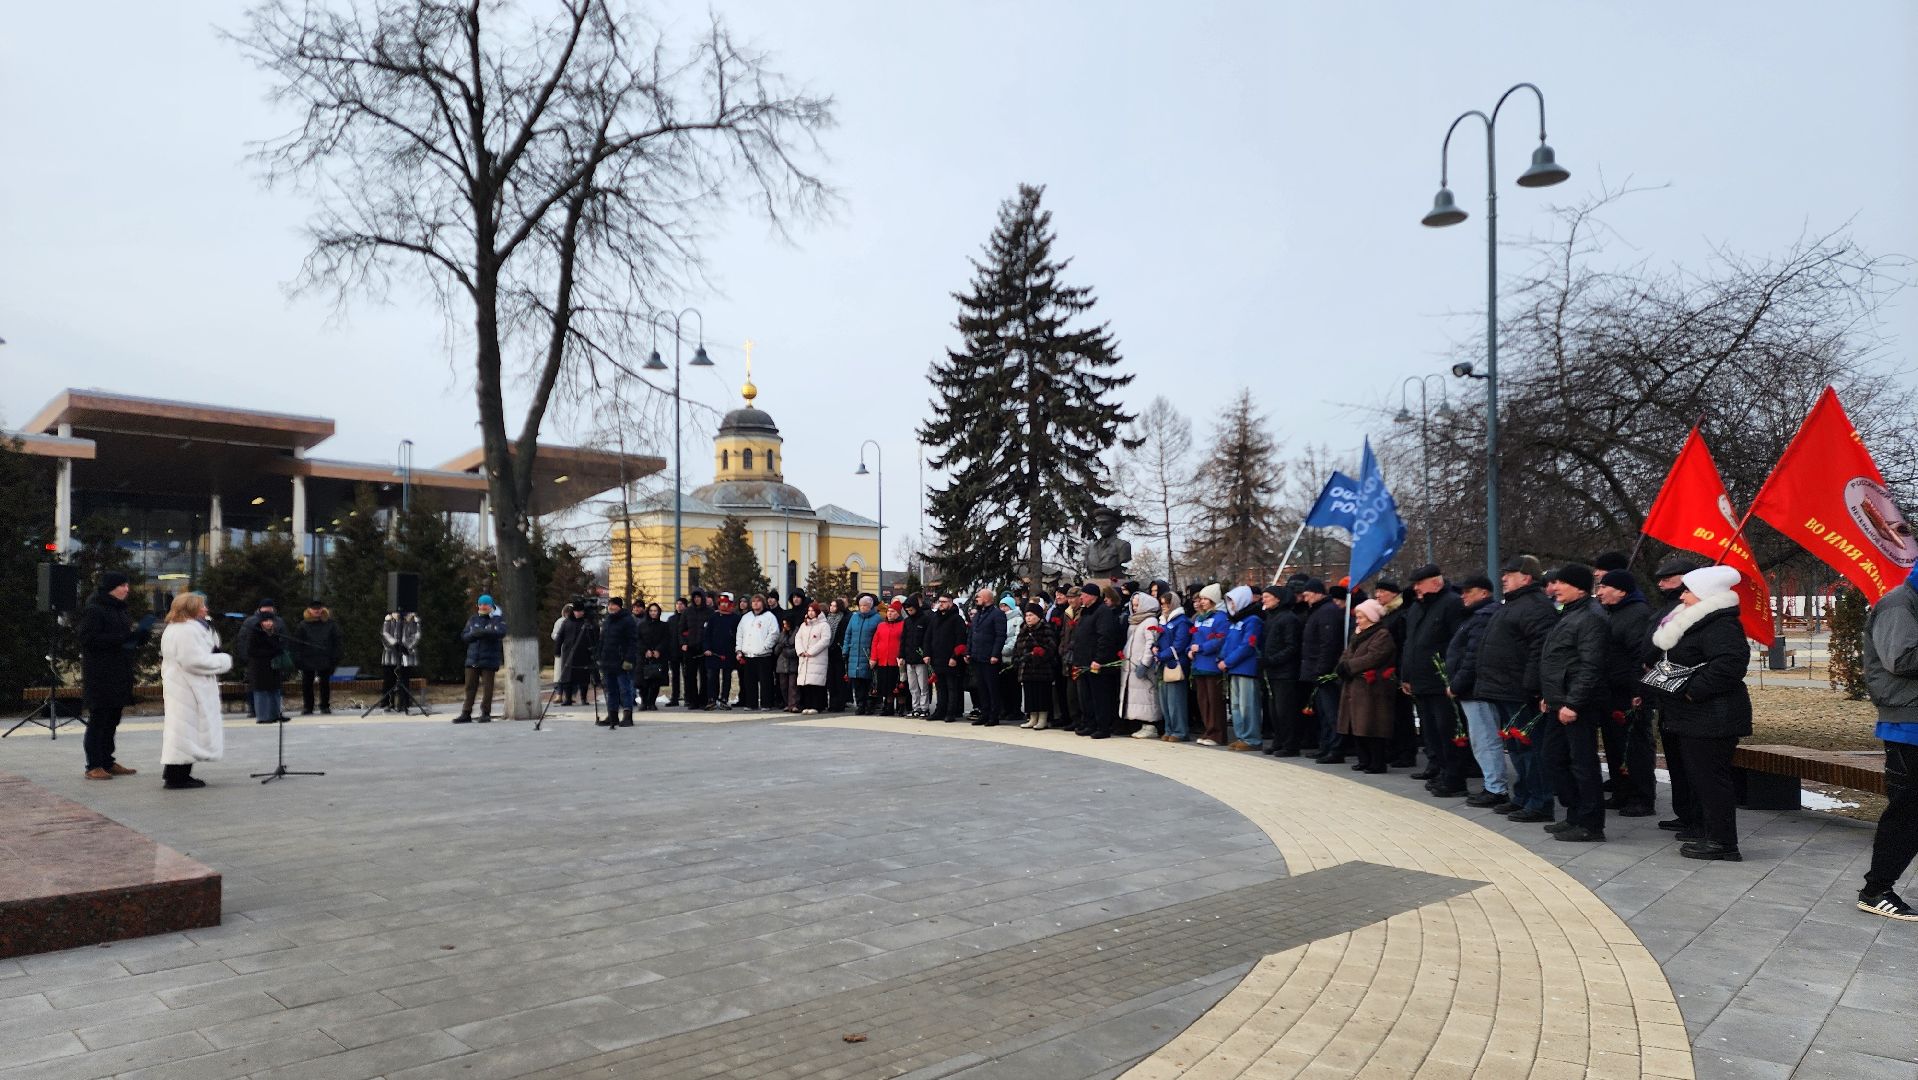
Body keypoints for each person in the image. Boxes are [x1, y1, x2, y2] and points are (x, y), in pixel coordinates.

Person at [1644, 565, 1751, 861]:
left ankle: (1723, 843)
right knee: (1700, 778)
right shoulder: (1699, 620)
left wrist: (1693, 690)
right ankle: (1708, 832)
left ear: (1705, 595)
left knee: (1711, 779)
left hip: (1713, 715)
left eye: (1689, 591)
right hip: (1694, 714)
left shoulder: (1720, 624)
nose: (1683, 595)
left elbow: (1731, 663)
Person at [1474, 556, 1559, 822]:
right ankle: (1523, 796)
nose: (1503, 578)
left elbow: (1539, 650)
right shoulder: (1513, 605)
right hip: (1504, 688)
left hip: (1520, 691)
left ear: (1526, 577)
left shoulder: (1535, 606)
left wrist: (1531, 686)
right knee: (1517, 748)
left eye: (1510, 574)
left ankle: (1540, 801)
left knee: (1530, 749)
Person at [1859, 564, 1918, 917]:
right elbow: (1901, 659)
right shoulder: (1899, 604)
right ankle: (1876, 889)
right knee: (1908, 812)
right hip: (1908, 725)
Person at [1538, 564, 1611, 843]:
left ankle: (1591, 824)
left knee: (1582, 764)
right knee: (1553, 758)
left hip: (1577, 704)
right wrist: (1550, 695)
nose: (1555, 588)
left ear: (1579, 587)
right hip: (1560, 701)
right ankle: (1574, 814)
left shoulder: (1591, 617)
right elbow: (1560, 659)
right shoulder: (1571, 613)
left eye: (1562, 583)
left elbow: (1590, 666)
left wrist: (1573, 703)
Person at [77, 571, 154, 780]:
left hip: (120, 672)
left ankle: (107, 761)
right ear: (111, 587)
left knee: (113, 719)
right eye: (123, 585)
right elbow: (89, 639)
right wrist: (124, 637)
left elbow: (125, 640)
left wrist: (140, 636)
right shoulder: (94, 610)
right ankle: (93, 765)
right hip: (100, 674)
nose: (127, 589)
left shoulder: (121, 610)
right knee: (99, 719)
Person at [1648, 556, 1705, 835]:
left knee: (1690, 764)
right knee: (1676, 761)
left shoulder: (1694, 612)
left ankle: (1697, 818)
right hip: (1667, 695)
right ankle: (1685, 813)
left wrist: (1691, 691)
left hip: (1683, 696)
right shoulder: (1670, 607)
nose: (1660, 584)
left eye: (1667, 579)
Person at [1443, 574, 1508, 806]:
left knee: (1485, 740)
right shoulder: (1475, 616)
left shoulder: (1482, 617)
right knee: (1483, 739)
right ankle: (1493, 785)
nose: (1463, 596)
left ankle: (1495, 788)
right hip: (1475, 689)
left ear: (1483, 593)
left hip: (1476, 690)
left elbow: (1472, 657)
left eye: (1468, 591)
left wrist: (1457, 684)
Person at [1596, 569, 1656, 817]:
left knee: (1634, 746)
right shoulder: (1614, 613)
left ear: (1620, 591)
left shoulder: (1637, 615)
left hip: (1629, 693)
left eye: (1603, 587)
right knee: (1615, 745)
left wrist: (1638, 691)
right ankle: (1622, 791)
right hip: (1612, 690)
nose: (1598, 592)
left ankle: (1641, 797)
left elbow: (1638, 657)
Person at [1400, 566, 1467, 790]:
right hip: (1420, 680)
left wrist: (1451, 676)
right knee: (1430, 730)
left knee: (1446, 730)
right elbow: (1410, 644)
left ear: (1436, 583)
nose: (1415, 587)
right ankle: (1438, 768)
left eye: (1420, 582)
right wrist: (1406, 675)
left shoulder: (1452, 603)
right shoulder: (1417, 608)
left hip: (1441, 681)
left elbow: (1457, 643)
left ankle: (1454, 777)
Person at [158, 592, 230, 790]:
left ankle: (176, 773)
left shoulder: (181, 628)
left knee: (182, 731)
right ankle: (177, 776)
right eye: (201, 606)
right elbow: (193, 661)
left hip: (184, 686)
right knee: (184, 731)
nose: (206, 609)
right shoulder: (185, 631)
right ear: (191, 609)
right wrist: (223, 660)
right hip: (188, 687)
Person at [1337, 598, 1400, 773]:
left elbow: (1374, 657)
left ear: (1371, 617)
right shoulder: (1357, 634)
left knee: (1372, 725)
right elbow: (1347, 653)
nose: (1358, 621)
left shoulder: (1382, 634)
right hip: (1355, 685)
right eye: (1357, 617)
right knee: (1357, 725)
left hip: (1372, 688)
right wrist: (1342, 665)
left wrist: (1349, 666)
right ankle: (1364, 759)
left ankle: (1377, 762)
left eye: (1361, 617)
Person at [1300, 579, 1346, 762]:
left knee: (1331, 712)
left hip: (1324, 672)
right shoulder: (1319, 611)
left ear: (1317, 592)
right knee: (1323, 712)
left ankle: (1335, 749)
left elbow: (1329, 644)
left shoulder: (1327, 612)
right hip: (1316, 670)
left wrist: (1322, 670)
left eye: (1307, 594)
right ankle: (1325, 745)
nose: (1305, 598)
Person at [1074, 584, 1126, 738]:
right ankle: (1090, 724)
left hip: (1097, 663)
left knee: (1100, 696)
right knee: (1087, 696)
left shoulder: (1102, 612)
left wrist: (1098, 659)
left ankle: (1103, 727)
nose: (1081, 597)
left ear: (1092, 596)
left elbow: (1105, 637)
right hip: (1084, 662)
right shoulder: (1086, 611)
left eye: (1083, 595)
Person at [1258, 586, 1303, 757]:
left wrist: (1272, 660)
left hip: (1285, 672)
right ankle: (1279, 741)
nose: (1264, 600)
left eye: (1267, 596)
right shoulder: (1271, 617)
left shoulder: (1289, 618)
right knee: (1274, 710)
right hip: (1272, 671)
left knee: (1285, 710)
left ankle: (1290, 744)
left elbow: (1292, 646)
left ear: (1278, 598)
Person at [1219, 585, 1264, 752]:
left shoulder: (1253, 620)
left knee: (1248, 705)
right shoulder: (1235, 620)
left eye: (1233, 601)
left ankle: (1252, 738)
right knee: (1236, 705)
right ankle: (1241, 736)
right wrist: (1221, 657)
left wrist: (1228, 661)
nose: (1231, 605)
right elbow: (1228, 642)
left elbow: (1247, 645)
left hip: (1246, 668)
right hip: (1233, 669)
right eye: (1229, 602)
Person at [1187, 584, 1229, 746]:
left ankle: (1218, 734)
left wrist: (1202, 647)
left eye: (1205, 599)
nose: (1202, 602)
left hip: (1211, 665)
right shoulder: (1198, 618)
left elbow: (1220, 639)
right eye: (1201, 599)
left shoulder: (1220, 618)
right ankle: (1208, 730)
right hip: (1198, 665)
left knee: (1215, 701)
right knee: (1203, 701)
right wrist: (1189, 649)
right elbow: (1193, 638)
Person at [455, 595, 506, 723]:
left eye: (486, 604)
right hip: (473, 659)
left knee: (488, 687)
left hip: (489, 660)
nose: (483, 607)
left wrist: (484, 633)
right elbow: (465, 636)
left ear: (491, 606)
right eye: (481, 604)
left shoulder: (497, 619)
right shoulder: (473, 619)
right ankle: (466, 712)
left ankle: (486, 712)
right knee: (470, 687)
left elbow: (500, 633)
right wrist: (473, 634)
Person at [289, 599, 343, 716]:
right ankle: (308, 706)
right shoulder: (302, 625)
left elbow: (337, 641)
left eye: (319, 609)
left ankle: (325, 706)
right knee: (307, 683)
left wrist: (335, 657)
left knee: (325, 683)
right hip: (307, 658)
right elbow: (297, 644)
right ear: (309, 610)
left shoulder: (330, 624)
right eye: (314, 609)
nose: (317, 611)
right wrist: (297, 659)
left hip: (325, 657)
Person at [1153, 590, 1193, 743]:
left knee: (1176, 700)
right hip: (1163, 663)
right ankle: (1169, 728)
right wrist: (1155, 648)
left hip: (1175, 664)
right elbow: (1160, 640)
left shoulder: (1181, 621)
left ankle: (1180, 730)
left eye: (1166, 603)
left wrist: (1161, 655)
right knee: (1165, 700)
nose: (1163, 606)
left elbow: (1179, 644)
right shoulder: (1163, 621)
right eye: (1162, 603)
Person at [1121, 590, 1162, 738]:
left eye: (1138, 605)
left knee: (1147, 696)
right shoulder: (1135, 621)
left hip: (1142, 667)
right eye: (1134, 605)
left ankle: (1150, 725)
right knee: (1138, 697)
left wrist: (1145, 664)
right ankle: (1143, 724)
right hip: (1132, 665)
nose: (1135, 607)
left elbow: (1150, 644)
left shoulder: (1150, 621)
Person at [965, 587, 1008, 727]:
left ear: (987, 598)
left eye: (979, 597)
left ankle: (994, 715)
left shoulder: (997, 614)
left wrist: (995, 654)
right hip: (977, 656)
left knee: (992, 687)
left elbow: (1000, 635)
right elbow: (972, 634)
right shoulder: (978, 614)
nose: (977, 599)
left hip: (990, 657)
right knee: (981, 687)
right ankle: (985, 713)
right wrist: (968, 651)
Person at [1014, 603, 1059, 729]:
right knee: (1030, 694)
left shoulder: (1045, 628)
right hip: (1026, 668)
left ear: (1038, 616)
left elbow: (1051, 647)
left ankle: (1043, 718)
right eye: (1026, 615)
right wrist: (1017, 658)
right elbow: (1017, 646)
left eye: (1031, 615)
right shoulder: (1023, 629)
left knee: (1042, 693)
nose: (1028, 618)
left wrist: (1037, 656)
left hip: (1041, 668)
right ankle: (1032, 717)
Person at [597, 596, 639, 726]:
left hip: (621, 660)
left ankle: (627, 715)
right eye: (610, 605)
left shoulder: (627, 620)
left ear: (620, 606)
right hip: (608, 660)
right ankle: (612, 714)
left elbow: (633, 641)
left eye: (614, 605)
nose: (611, 607)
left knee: (625, 689)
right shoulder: (607, 620)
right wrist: (599, 656)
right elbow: (602, 640)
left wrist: (628, 659)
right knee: (611, 689)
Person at [924, 594, 966, 721]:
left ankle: (951, 712)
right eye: (939, 601)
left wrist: (955, 657)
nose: (941, 604)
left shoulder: (957, 619)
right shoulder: (935, 618)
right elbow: (928, 637)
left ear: (951, 603)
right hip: (937, 658)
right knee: (940, 687)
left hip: (951, 659)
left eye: (944, 601)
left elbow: (961, 640)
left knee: (951, 687)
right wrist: (927, 654)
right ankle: (940, 711)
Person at [735, 594, 780, 710]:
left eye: (758, 601)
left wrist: (766, 646)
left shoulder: (769, 616)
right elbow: (740, 634)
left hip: (763, 655)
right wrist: (739, 649)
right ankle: (751, 703)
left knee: (765, 682)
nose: (755, 603)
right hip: (748, 654)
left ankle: (766, 703)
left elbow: (774, 633)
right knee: (749, 681)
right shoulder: (746, 617)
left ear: (763, 603)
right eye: (753, 601)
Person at [234, 599, 277, 718]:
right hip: (254, 659)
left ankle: (271, 710)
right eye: (265, 608)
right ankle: (254, 709)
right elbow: (243, 640)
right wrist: (246, 657)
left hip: (272, 660)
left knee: (272, 686)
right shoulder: (250, 622)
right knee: (254, 685)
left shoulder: (278, 621)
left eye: (270, 608)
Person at [246, 614, 290, 725]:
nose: (268, 623)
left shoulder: (274, 633)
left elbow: (279, 646)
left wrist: (279, 650)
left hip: (273, 666)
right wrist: (271, 652)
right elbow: (252, 651)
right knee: (262, 691)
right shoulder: (255, 633)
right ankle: (263, 716)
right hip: (260, 667)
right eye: (265, 621)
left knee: (275, 690)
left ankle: (275, 714)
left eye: (270, 621)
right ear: (261, 622)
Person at [844, 594, 883, 715]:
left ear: (870, 606)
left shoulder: (877, 618)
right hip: (854, 653)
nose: (862, 608)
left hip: (868, 655)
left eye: (864, 606)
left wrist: (874, 655)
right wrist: (846, 650)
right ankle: (860, 704)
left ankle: (870, 704)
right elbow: (848, 634)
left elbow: (878, 638)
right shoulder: (854, 617)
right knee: (857, 681)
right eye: (860, 605)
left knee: (868, 681)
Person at [702, 594, 741, 710]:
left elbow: (739, 635)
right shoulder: (713, 617)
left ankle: (724, 698)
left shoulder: (735, 618)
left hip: (728, 652)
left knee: (727, 676)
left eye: (726, 602)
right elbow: (707, 635)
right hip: (713, 652)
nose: (723, 604)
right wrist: (706, 648)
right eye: (721, 602)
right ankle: (712, 699)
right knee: (712, 676)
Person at [554, 604, 597, 706]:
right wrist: (557, 651)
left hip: (584, 653)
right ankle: (567, 698)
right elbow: (560, 637)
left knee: (584, 677)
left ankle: (583, 698)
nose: (578, 613)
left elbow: (595, 637)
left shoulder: (588, 623)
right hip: (569, 653)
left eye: (580, 611)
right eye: (576, 611)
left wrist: (595, 651)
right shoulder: (567, 622)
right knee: (567, 677)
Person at [795, 604, 833, 714]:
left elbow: (825, 640)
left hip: (817, 658)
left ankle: (816, 706)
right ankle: (806, 705)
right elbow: (798, 638)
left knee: (815, 683)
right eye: (809, 610)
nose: (811, 613)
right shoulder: (804, 625)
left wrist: (811, 652)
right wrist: (801, 651)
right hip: (804, 658)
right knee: (805, 684)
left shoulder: (823, 625)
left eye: (813, 611)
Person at [379, 609, 420, 708]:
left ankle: (404, 702)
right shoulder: (388, 620)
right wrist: (395, 644)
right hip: (390, 655)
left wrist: (406, 646)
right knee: (389, 679)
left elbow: (416, 635)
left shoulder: (414, 621)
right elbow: (384, 634)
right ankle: (387, 702)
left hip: (406, 655)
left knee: (405, 680)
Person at [677, 591, 710, 709]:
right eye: (695, 597)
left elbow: (712, 631)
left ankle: (703, 700)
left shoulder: (709, 612)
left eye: (699, 597)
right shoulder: (687, 612)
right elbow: (681, 629)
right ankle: (693, 700)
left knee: (705, 675)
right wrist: (683, 643)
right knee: (690, 675)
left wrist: (709, 646)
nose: (697, 599)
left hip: (704, 648)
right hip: (690, 648)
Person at [872, 601, 906, 715]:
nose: (889, 614)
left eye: (892, 612)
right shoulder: (881, 626)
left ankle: (901, 706)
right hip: (883, 660)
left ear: (898, 613)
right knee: (886, 685)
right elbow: (875, 642)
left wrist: (903, 656)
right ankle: (888, 706)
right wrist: (873, 658)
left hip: (896, 660)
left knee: (899, 685)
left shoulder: (903, 625)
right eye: (888, 611)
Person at [636, 603, 672, 711]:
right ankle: (644, 702)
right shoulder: (641, 625)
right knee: (643, 682)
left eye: (655, 611)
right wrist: (645, 650)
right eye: (651, 611)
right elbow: (638, 640)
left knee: (656, 680)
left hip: (658, 657)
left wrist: (658, 650)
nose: (653, 613)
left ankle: (652, 702)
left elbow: (666, 639)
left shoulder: (664, 625)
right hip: (644, 657)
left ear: (659, 612)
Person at [901, 596, 931, 717]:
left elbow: (927, 639)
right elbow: (903, 639)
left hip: (920, 658)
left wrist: (926, 654)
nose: (909, 611)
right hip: (909, 657)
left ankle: (925, 708)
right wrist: (901, 655)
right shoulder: (907, 621)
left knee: (923, 685)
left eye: (911, 609)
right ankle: (916, 707)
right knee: (912, 685)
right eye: (907, 610)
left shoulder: (924, 619)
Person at [997, 595, 1023, 725]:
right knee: (1002, 686)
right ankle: (1004, 709)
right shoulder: (999, 619)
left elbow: (1017, 637)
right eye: (1001, 606)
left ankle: (1015, 710)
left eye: (1005, 606)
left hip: (1011, 657)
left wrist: (1005, 648)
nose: (1003, 608)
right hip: (1000, 658)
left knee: (1013, 686)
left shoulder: (1018, 619)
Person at [825, 597, 852, 712]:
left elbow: (843, 635)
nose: (832, 608)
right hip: (828, 651)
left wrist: (837, 646)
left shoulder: (844, 619)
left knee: (839, 679)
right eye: (831, 605)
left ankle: (840, 703)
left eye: (834, 606)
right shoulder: (827, 618)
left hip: (838, 652)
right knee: (831, 680)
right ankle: (832, 703)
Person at [775, 617, 800, 712]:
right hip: (782, 664)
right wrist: (780, 646)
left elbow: (798, 648)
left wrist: (789, 652)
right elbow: (776, 650)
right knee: (783, 686)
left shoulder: (797, 633)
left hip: (793, 662)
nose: (785, 626)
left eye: (786, 624)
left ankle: (793, 704)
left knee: (793, 686)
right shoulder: (782, 634)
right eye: (783, 624)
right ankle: (787, 703)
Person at [665, 597, 686, 706]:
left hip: (685, 651)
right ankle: (675, 697)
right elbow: (667, 636)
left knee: (687, 675)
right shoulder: (671, 619)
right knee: (675, 676)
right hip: (673, 651)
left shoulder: (687, 618)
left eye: (681, 604)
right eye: (677, 604)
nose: (679, 606)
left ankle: (688, 697)